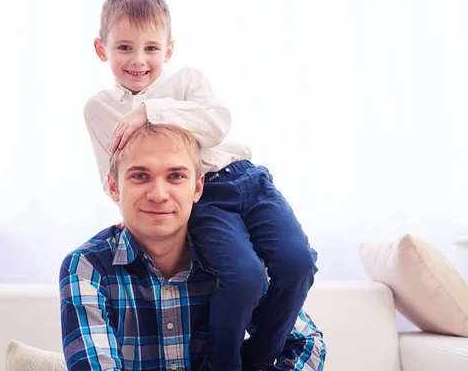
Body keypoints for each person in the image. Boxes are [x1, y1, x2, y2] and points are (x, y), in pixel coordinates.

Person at [84, 0, 320, 370]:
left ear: (169, 50)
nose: (138, 60)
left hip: (247, 179)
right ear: (102, 49)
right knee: (243, 277)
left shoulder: (188, 81)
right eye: (124, 48)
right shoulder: (100, 108)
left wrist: (149, 112)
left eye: (151, 48)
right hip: (202, 194)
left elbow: (216, 124)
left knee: (299, 262)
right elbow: (114, 168)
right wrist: (129, 214)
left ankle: (260, 357)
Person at [60, 123, 326, 371]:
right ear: (114, 187)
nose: (159, 195)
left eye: (175, 176)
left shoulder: (231, 261)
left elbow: (306, 341)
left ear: (198, 187)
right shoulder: (87, 268)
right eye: (140, 176)